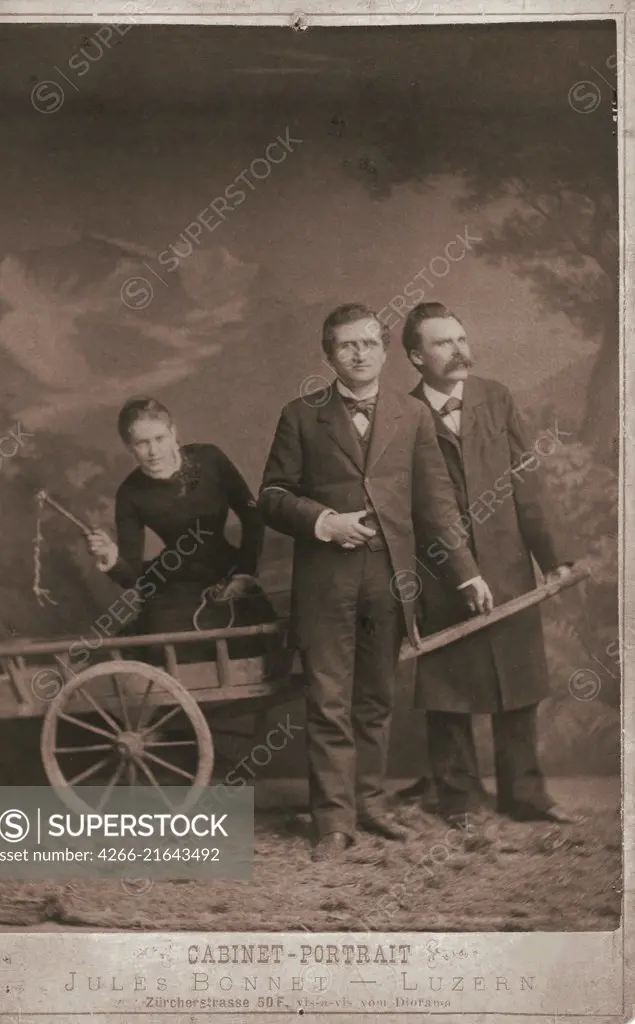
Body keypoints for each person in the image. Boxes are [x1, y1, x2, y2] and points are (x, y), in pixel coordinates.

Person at [258, 303, 492, 861]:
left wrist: (468, 574)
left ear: (387, 352)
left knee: (376, 699)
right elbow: (270, 497)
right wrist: (324, 522)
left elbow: (436, 502)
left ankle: (369, 805)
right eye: (347, 345)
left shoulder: (412, 417)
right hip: (325, 582)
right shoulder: (300, 415)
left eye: (369, 343)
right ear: (329, 355)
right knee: (329, 699)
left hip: (391, 580)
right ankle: (333, 823)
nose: (359, 354)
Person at [401, 301, 578, 825]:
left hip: (505, 562)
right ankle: (458, 799)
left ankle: (525, 794)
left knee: (517, 678)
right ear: (416, 356)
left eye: (461, 338)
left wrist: (554, 558)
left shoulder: (495, 398)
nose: (458, 350)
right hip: (439, 570)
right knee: (448, 686)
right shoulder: (402, 414)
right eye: (441, 342)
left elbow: (526, 481)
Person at [86, 396, 275, 661]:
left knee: (257, 639)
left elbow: (252, 516)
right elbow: (132, 576)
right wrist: (111, 557)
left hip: (227, 574)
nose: (153, 452)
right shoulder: (130, 493)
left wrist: (244, 573)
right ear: (129, 447)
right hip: (173, 587)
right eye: (142, 443)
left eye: (160, 438)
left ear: (174, 432)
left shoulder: (209, 459)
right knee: (165, 648)